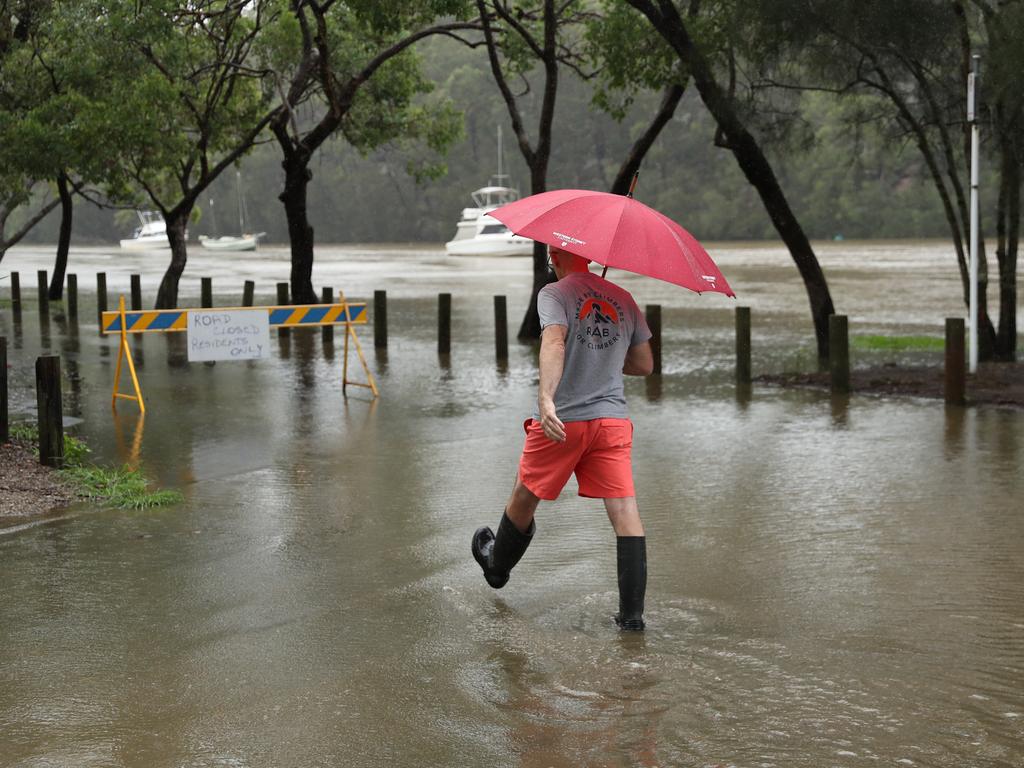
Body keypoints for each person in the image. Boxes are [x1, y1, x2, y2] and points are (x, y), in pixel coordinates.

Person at [472, 245, 654, 630]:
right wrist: (602, 353)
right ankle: (632, 619)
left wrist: (546, 398)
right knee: (625, 514)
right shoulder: (624, 298)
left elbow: (554, 341)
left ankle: (496, 566)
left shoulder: (553, 293)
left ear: (555, 256)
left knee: (526, 491)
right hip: (613, 422)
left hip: (566, 419)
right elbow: (644, 364)